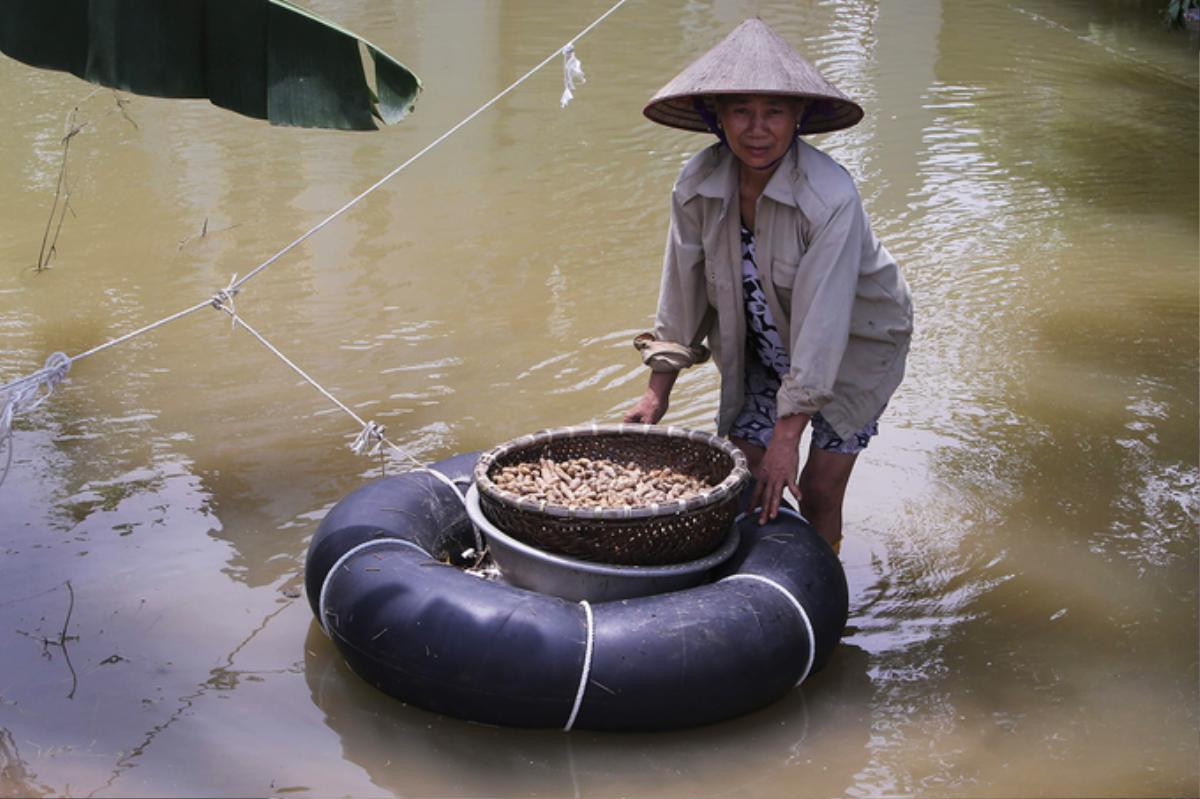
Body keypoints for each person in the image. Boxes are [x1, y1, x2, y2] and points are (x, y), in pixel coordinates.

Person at [624, 18, 913, 554]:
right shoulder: (698, 185)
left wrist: (790, 434)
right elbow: (681, 291)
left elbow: (825, 322)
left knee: (819, 488)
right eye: (741, 111)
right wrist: (656, 391)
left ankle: (827, 605)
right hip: (763, 338)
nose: (757, 130)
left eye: (774, 112)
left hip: (856, 342)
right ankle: (755, 584)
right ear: (717, 117)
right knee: (749, 471)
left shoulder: (829, 198)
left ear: (798, 117)